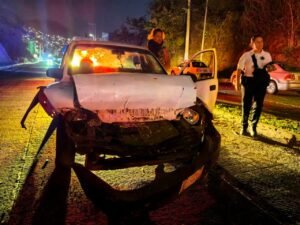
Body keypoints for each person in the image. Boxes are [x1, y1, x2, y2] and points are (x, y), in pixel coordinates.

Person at [236, 35, 272, 137]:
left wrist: (271, 68)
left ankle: (253, 127)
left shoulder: (267, 55)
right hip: (248, 81)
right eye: (257, 42)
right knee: (246, 104)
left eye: (261, 41)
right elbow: (238, 69)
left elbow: (269, 68)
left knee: (258, 105)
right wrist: (237, 83)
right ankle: (244, 127)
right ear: (252, 43)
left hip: (261, 83)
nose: (260, 44)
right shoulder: (246, 55)